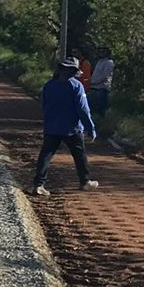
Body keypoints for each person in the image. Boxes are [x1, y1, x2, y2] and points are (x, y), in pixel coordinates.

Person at [33, 55, 99, 195]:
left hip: (52, 127)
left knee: (46, 155)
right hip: (72, 128)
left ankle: (38, 185)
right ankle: (85, 182)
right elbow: (83, 110)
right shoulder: (76, 86)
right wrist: (90, 128)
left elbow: (43, 104)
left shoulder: (49, 85)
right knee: (79, 155)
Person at [89, 50, 115, 120]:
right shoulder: (99, 62)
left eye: (103, 51)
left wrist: (94, 82)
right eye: (100, 51)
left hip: (102, 88)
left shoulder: (109, 62)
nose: (101, 53)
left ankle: (103, 122)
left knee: (102, 109)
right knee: (93, 107)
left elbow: (105, 76)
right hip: (94, 87)